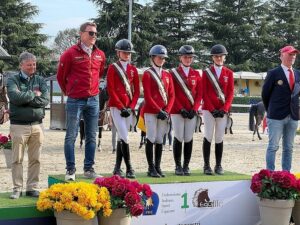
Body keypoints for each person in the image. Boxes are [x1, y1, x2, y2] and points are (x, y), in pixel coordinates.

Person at [57, 22, 106, 181]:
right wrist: (70, 92)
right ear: (81, 34)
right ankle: (70, 170)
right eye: (91, 33)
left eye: (96, 34)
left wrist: (92, 91)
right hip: (75, 100)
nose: (94, 36)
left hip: (93, 99)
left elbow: (99, 74)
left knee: (92, 135)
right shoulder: (69, 53)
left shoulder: (100, 54)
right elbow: (61, 77)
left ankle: (88, 169)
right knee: (71, 135)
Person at [7, 52, 49, 199]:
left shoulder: (40, 79)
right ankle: (17, 188)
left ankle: (32, 188)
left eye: (34, 64)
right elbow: (14, 97)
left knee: (35, 159)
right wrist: (33, 94)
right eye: (29, 64)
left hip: (37, 126)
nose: (33, 67)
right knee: (17, 159)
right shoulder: (12, 80)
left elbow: (45, 100)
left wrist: (25, 98)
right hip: (18, 126)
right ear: (21, 65)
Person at [262, 45, 300, 171]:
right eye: (290, 54)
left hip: (293, 116)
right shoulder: (273, 73)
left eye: (294, 55)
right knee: (273, 147)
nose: (292, 57)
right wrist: (271, 110)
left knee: (289, 148)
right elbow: (265, 94)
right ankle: (270, 175)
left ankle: (286, 175)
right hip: (276, 116)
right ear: (281, 55)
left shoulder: (298, 74)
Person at [106, 39, 140, 178]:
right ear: (118, 52)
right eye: (125, 52)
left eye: (129, 53)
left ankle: (117, 168)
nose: (127, 55)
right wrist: (121, 106)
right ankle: (129, 167)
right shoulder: (113, 68)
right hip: (116, 106)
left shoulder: (133, 70)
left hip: (128, 108)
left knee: (122, 137)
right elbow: (111, 89)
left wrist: (131, 107)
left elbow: (137, 91)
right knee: (125, 137)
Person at [142, 45, 175, 178]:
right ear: (152, 58)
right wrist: (158, 110)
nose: (161, 59)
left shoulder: (167, 74)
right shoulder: (147, 74)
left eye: (163, 58)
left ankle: (158, 166)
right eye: (159, 57)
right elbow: (148, 96)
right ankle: (150, 167)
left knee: (160, 139)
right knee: (151, 137)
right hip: (151, 111)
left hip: (164, 113)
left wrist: (167, 110)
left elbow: (172, 95)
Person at [169, 45, 202, 176]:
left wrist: (194, 109)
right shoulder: (173, 73)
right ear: (180, 58)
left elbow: (199, 94)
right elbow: (172, 93)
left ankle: (186, 165)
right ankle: (177, 166)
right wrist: (180, 108)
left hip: (191, 112)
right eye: (185, 57)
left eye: (190, 57)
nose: (188, 59)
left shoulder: (196, 74)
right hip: (177, 111)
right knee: (178, 136)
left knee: (188, 137)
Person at [202, 44, 234, 175]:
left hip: (222, 111)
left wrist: (224, 109)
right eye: (216, 56)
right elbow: (204, 92)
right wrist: (211, 108)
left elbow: (231, 93)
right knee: (208, 135)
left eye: (221, 56)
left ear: (224, 57)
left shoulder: (229, 73)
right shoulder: (206, 73)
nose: (219, 58)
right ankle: (206, 165)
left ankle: (218, 165)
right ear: (212, 58)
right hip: (209, 110)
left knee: (219, 137)